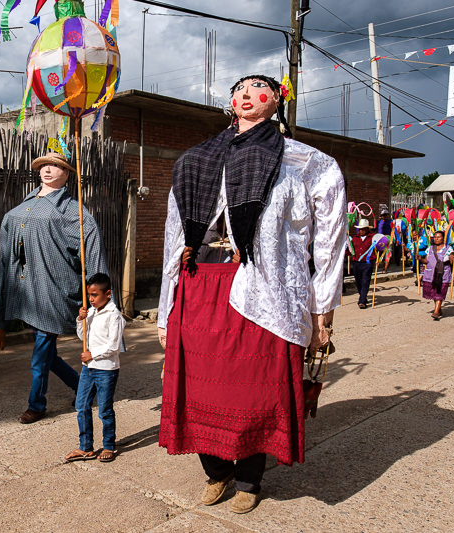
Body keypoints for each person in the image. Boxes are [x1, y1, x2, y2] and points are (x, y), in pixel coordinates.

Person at [157, 74, 346, 514]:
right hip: (200, 287)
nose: (246, 95)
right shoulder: (198, 159)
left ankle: (248, 479)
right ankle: (215, 471)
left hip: (264, 292)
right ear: (229, 102)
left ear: (276, 101)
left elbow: (330, 238)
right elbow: (173, 235)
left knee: (254, 393)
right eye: (239, 89)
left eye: (258, 88)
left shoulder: (304, 162)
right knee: (201, 392)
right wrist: (167, 306)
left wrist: (322, 310)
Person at [0, 152, 109, 424]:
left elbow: (95, 259)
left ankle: (37, 404)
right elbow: (6, 261)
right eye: (44, 165)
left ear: (67, 174)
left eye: (56, 166)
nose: (47, 169)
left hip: (55, 292)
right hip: (28, 292)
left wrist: (98, 303)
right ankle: (83, 388)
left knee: (40, 353)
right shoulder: (24, 206)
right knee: (47, 353)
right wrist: (0, 319)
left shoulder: (75, 213)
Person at [64, 273, 125, 464]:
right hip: (88, 368)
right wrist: (80, 320)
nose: (90, 299)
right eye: (89, 295)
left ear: (107, 294)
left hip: (106, 369)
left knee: (104, 409)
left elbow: (114, 345)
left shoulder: (114, 315)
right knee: (81, 406)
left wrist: (93, 354)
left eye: (94, 295)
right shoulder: (90, 312)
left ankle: (109, 445)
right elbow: (84, 338)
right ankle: (85, 447)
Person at [420, 230, 454, 320]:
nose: (436, 239)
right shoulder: (430, 248)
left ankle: (436, 312)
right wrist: (420, 258)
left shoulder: (448, 248)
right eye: (435, 237)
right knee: (434, 293)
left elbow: (451, 258)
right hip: (430, 274)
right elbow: (426, 261)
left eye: (438, 237)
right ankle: (439, 309)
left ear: (443, 238)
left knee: (440, 292)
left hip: (442, 275)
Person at [350, 219, 375, 309]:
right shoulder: (355, 239)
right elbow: (350, 250)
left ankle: (362, 301)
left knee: (365, 281)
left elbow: (379, 248)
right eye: (359, 229)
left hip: (367, 263)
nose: (361, 231)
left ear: (367, 229)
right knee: (358, 281)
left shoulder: (372, 238)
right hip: (356, 262)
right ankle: (363, 296)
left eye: (363, 229)